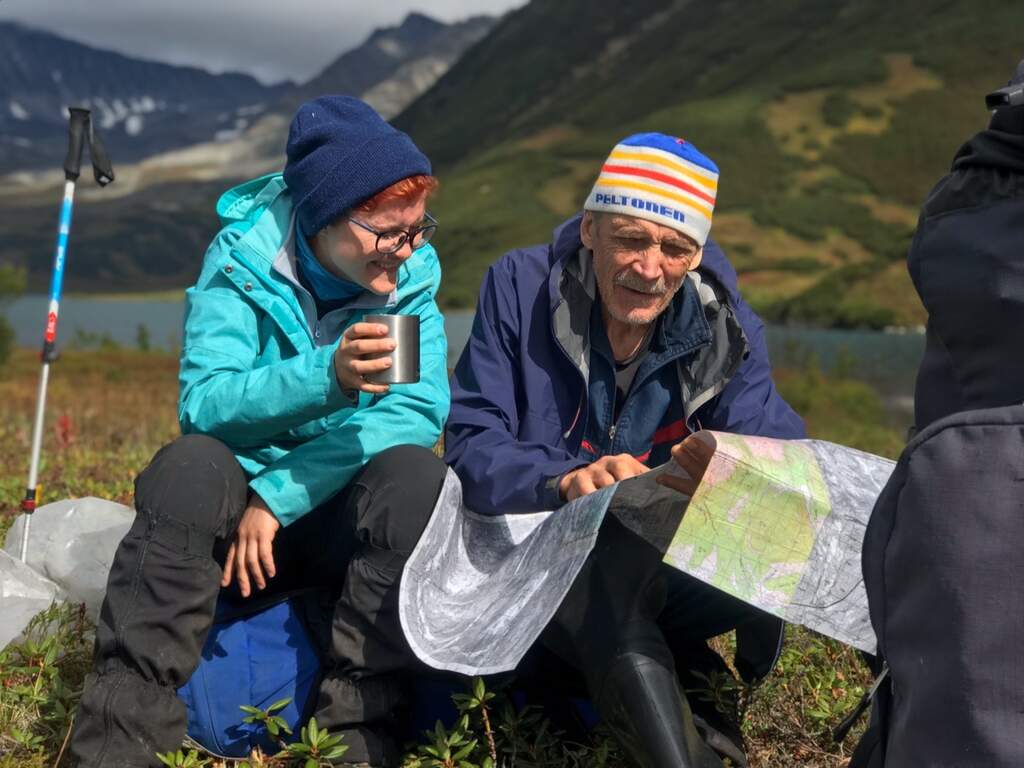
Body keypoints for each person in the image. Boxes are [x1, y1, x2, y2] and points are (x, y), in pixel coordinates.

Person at [69, 96, 451, 768]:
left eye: (417, 229)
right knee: (190, 465)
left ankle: (356, 740)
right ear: (322, 215)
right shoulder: (242, 259)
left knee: (416, 476)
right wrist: (325, 377)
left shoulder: (408, 277)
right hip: (228, 526)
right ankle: (117, 746)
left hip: (320, 513)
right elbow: (206, 403)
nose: (405, 251)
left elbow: (411, 412)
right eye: (388, 233)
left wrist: (279, 496)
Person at [444, 133, 805, 767]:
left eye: (674, 249)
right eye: (631, 239)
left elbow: (777, 449)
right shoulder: (520, 286)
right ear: (589, 228)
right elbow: (472, 442)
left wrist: (735, 470)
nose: (650, 268)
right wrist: (567, 480)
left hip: (660, 578)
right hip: (533, 566)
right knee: (607, 565)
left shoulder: (724, 321)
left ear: (694, 256)